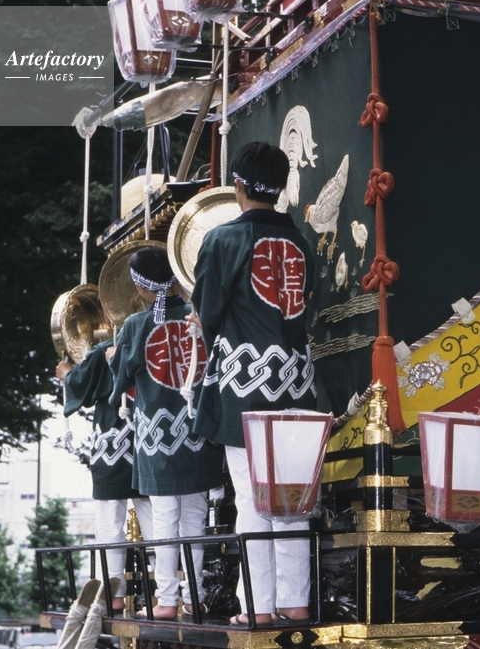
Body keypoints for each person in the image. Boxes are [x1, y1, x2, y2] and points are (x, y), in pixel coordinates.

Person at [189, 141, 317, 625]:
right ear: (280, 188)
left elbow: (209, 314)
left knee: (251, 497)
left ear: (238, 185)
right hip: (296, 381)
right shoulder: (302, 242)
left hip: (245, 385)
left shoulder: (222, 240)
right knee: (291, 496)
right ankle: (294, 600)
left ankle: (258, 607)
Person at [109, 246, 224, 620]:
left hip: (157, 438)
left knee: (164, 520)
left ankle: (167, 600)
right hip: (197, 433)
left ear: (142, 287)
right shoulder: (200, 316)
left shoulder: (136, 325)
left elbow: (120, 381)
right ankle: (195, 597)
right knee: (194, 519)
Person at [57, 341, 153, 614]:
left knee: (109, 522)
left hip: (112, 442)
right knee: (157, 520)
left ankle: (114, 594)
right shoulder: (152, 335)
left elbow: (80, 384)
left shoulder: (104, 349)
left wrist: (66, 373)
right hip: (150, 436)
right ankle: (168, 594)